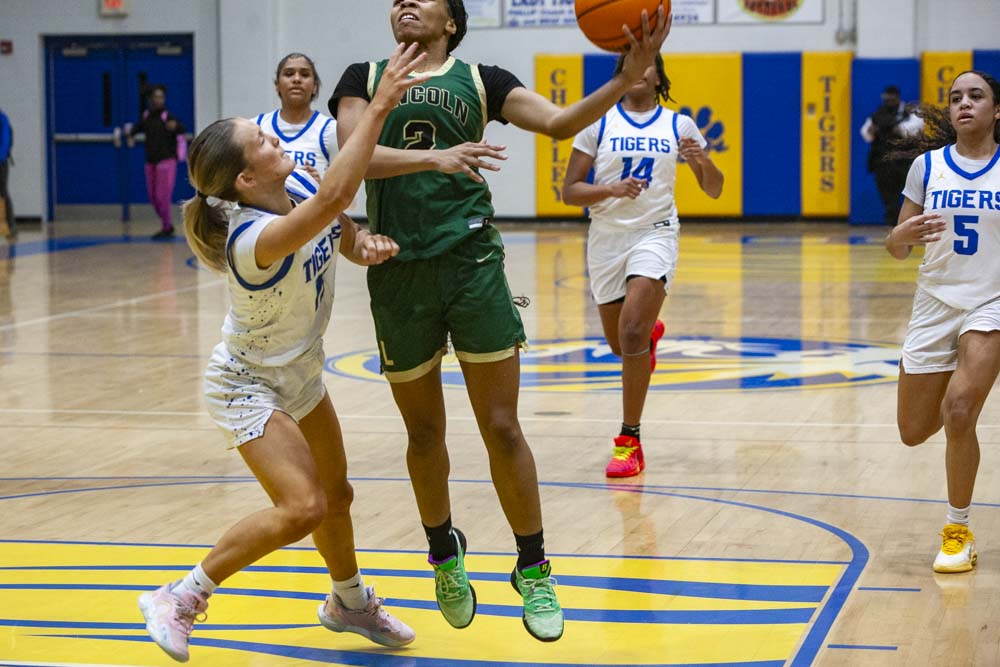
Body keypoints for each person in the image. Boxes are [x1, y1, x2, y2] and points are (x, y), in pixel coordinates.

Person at [329, 0, 671, 643]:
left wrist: (625, 79)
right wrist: (435, 158)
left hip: (472, 259)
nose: (405, 2)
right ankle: (444, 552)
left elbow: (560, 123)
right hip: (399, 267)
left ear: (451, 22)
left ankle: (533, 567)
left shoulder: (482, 79)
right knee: (424, 433)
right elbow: (352, 156)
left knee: (503, 426)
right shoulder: (363, 77)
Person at [137, 44, 429, 663]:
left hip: (299, 373)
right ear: (246, 180)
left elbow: (337, 224)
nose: (274, 139)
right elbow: (333, 201)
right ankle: (179, 597)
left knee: (337, 496)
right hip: (247, 383)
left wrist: (362, 246)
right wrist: (378, 106)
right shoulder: (253, 239)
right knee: (303, 507)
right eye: (262, 142)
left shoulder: (294, 183)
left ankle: (349, 603)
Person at [562, 54, 723, 478]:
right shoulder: (598, 123)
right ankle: (649, 334)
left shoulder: (678, 125)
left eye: (647, 63)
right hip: (606, 238)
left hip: (655, 233)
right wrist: (610, 189)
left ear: (658, 77)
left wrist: (702, 160)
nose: (639, 70)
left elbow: (714, 189)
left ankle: (629, 441)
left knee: (631, 332)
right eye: (630, 64)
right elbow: (569, 192)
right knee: (622, 345)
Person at [885, 69, 1000, 574]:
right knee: (913, 430)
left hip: (991, 301)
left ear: (997, 110)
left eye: (976, 96)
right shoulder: (927, 167)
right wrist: (900, 235)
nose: (964, 104)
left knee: (958, 412)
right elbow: (897, 248)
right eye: (955, 98)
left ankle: (958, 532)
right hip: (934, 302)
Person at [255, 53, 338, 202]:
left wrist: (320, 187)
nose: (297, 79)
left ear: (315, 87)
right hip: (266, 212)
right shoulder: (257, 127)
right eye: (289, 74)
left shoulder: (331, 130)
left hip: (314, 213)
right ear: (277, 85)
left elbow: (345, 193)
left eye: (305, 74)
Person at [128, 85, 186, 239]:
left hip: (166, 161)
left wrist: (176, 127)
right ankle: (166, 224)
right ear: (150, 99)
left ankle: (167, 226)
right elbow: (136, 128)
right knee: (153, 197)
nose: (159, 100)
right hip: (151, 161)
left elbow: (180, 129)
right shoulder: (147, 115)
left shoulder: (167, 116)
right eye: (156, 97)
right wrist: (130, 134)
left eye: (161, 97)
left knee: (162, 197)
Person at [861, 85, 924, 225]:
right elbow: (866, 132)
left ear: (897, 98)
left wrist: (897, 129)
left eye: (891, 99)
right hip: (882, 161)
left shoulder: (908, 111)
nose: (888, 102)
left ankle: (910, 221)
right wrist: (874, 130)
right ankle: (892, 222)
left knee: (911, 192)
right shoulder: (879, 113)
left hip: (904, 160)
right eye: (886, 100)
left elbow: (916, 127)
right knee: (887, 195)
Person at [0, 107, 13, 240]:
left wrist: (0, 157)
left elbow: (5, 141)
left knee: (3, 191)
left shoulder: (2, 119)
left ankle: (10, 225)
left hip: (1, 162)